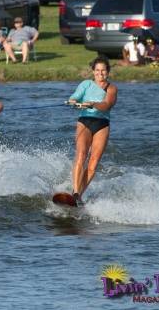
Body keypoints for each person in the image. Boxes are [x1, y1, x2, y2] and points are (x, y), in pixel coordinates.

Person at [67, 56, 117, 205]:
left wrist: (93, 104)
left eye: (103, 70)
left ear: (108, 72)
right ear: (93, 71)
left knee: (93, 163)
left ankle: (78, 196)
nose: (100, 74)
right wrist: (73, 101)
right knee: (81, 155)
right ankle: (75, 191)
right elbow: (75, 97)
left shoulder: (111, 88)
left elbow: (107, 105)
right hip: (85, 121)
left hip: (102, 124)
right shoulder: (86, 84)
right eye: (97, 70)